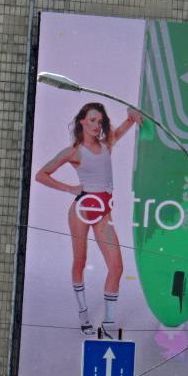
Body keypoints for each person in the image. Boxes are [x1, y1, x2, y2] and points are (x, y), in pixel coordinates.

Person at [35, 102, 142, 337]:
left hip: (103, 211)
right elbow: (41, 175)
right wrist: (70, 188)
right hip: (82, 210)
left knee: (117, 266)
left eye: (100, 121)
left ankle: (109, 323)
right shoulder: (73, 152)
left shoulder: (106, 145)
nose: (96, 125)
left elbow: (126, 125)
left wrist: (131, 114)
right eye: (92, 120)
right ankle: (83, 313)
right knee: (80, 261)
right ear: (82, 121)